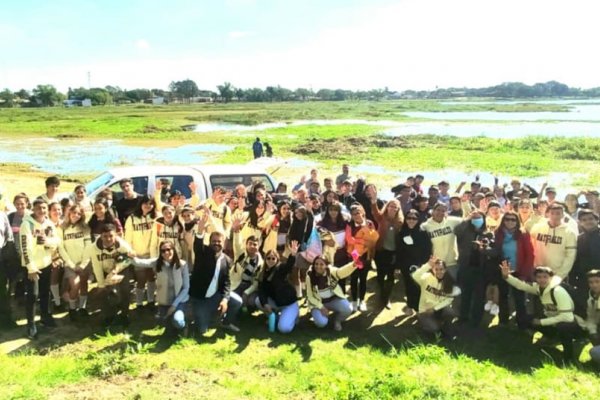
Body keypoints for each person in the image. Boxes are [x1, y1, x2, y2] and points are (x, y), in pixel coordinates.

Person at [500, 263, 586, 362]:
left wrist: (541, 322)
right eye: (539, 277)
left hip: (576, 326)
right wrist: (507, 276)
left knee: (564, 327)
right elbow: (521, 285)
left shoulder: (558, 291)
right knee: (525, 319)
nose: (542, 280)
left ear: (551, 277)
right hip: (554, 323)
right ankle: (531, 347)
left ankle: (569, 358)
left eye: (545, 277)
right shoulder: (538, 288)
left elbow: (567, 317)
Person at [189, 213, 242, 335]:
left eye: (219, 241)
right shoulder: (203, 252)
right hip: (200, 298)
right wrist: (200, 229)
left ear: (223, 243)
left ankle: (226, 322)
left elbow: (226, 283)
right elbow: (197, 245)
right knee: (202, 331)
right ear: (209, 242)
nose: (216, 243)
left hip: (215, 295)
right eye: (214, 241)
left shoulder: (227, 260)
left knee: (237, 301)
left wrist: (224, 299)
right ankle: (207, 318)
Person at [20, 199, 61, 338]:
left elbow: (55, 242)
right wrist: (31, 268)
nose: (41, 211)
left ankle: (45, 317)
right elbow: (24, 247)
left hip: (46, 263)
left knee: (45, 293)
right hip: (32, 267)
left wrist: (47, 241)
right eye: (38, 208)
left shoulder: (49, 224)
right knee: (33, 295)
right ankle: (31, 324)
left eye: (44, 208)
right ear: (33, 209)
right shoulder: (27, 224)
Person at [81, 223, 135, 327]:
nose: (108, 239)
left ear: (116, 235)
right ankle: (109, 316)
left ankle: (124, 314)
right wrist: (101, 284)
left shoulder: (122, 244)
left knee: (124, 290)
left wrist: (116, 269)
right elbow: (96, 266)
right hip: (104, 269)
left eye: (111, 236)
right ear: (100, 236)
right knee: (104, 292)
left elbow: (129, 259)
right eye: (105, 236)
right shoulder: (94, 248)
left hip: (120, 268)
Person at [132, 240, 190, 337]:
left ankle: (184, 326)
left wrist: (174, 305)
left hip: (179, 302)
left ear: (173, 250)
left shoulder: (182, 264)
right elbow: (139, 262)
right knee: (163, 324)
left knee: (177, 322)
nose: (166, 253)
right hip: (164, 302)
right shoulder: (157, 263)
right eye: (163, 251)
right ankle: (172, 326)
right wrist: (128, 255)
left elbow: (186, 288)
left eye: (168, 249)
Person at [491, 211, 534, 327]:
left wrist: (524, 274)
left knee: (519, 298)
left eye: (513, 219)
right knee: (503, 296)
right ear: (503, 221)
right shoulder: (498, 233)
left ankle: (521, 323)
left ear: (517, 221)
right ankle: (503, 320)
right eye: (507, 219)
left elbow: (530, 255)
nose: (510, 222)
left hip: (518, 271)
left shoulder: (523, 234)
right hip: (503, 270)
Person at [255, 242, 300, 334]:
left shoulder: (280, 269)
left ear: (277, 259)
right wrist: (265, 304)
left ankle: (293, 316)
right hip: (276, 303)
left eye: (273, 258)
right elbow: (261, 291)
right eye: (268, 258)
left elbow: (288, 266)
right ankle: (276, 316)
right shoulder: (262, 274)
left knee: (283, 329)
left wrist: (293, 254)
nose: (271, 260)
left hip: (288, 304)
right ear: (265, 259)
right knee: (258, 301)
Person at [57, 205, 92, 321]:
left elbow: (88, 246)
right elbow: (61, 248)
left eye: (79, 213)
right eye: (74, 212)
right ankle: (72, 309)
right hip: (70, 264)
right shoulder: (62, 228)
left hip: (84, 262)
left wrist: (83, 264)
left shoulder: (85, 228)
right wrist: (71, 264)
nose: (76, 215)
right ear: (69, 213)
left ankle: (82, 308)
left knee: (83, 285)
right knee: (75, 285)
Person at [412, 257, 461, 337]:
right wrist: (428, 265)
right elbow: (415, 275)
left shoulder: (448, 281)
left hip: (437, 308)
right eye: (436, 269)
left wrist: (435, 309)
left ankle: (445, 326)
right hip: (425, 310)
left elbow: (449, 299)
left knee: (451, 312)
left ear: (445, 270)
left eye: (441, 269)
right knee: (435, 328)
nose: (439, 272)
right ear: (433, 270)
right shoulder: (427, 278)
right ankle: (425, 323)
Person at [306, 255, 357, 331]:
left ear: (326, 265)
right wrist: (321, 307)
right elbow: (310, 296)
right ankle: (320, 316)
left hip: (333, 300)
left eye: (321, 264)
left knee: (348, 309)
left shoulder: (331, 271)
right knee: (321, 323)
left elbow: (342, 271)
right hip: (318, 303)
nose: (318, 266)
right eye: (316, 264)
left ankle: (337, 321)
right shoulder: (309, 275)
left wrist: (353, 264)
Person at [397, 209, 432, 315]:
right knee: (408, 285)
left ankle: (418, 307)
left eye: (414, 218)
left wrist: (423, 264)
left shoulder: (422, 233)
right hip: (405, 264)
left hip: (419, 264)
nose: (411, 220)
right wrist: (398, 266)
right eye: (409, 218)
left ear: (418, 220)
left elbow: (427, 249)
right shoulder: (401, 232)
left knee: (418, 286)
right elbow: (399, 250)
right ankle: (409, 305)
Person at [124, 195, 156, 309]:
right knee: (141, 279)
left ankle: (151, 301)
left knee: (151, 278)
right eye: (145, 203)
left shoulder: (155, 218)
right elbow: (127, 238)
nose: (148, 206)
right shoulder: (131, 219)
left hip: (151, 254)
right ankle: (139, 303)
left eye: (151, 203)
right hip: (138, 254)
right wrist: (130, 250)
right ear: (140, 204)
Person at [345, 204, 379, 312]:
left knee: (363, 279)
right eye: (353, 214)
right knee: (354, 279)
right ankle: (354, 301)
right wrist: (363, 241)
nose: (356, 216)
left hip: (366, 255)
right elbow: (349, 239)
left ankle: (362, 300)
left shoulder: (369, 223)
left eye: (358, 213)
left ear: (363, 212)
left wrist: (360, 241)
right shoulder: (350, 225)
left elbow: (374, 238)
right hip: (354, 255)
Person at [371, 198, 403, 309]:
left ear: (398, 209)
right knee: (380, 275)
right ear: (387, 207)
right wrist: (373, 201)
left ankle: (386, 298)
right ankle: (381, 295)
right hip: (381, 251)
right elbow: (375, 212)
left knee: (390, 276)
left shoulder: (400, 222)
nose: (393, 208)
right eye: (391, 206)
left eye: (395, 206)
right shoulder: (381, 218)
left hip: (393, 253)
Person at [530, 203, 577, 279]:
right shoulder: (537, 227)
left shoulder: (569, 232)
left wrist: (559, 276)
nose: (555, 216)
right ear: (548, 214)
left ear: (562, 215)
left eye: (558, 213)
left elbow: (570, 257)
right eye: (552, 213)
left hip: (557, 274)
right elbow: (530, 247)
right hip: (538, 272)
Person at [420, 202, 463, 279]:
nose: (440, 212)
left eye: (443, 211)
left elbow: (466, 221)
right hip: (436, 264)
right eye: (438, 210)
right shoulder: (425, 226)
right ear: (433, 211)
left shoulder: (452, 221)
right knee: (437, 288)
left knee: (453, 288)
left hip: (452, 262)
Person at [571, 209, 600, 299]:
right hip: (585, 281)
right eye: (584, 220)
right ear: (580, 222)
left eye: (590, 219)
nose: (588, 221)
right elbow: (576, 261)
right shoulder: (579, 239)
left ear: (597, 220)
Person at [0, 211, 16, 328]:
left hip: (1, 258)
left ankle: (5, 320)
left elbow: (8, 236)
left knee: (3, 291)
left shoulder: (2, 215)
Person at [584, 270, 600, 366]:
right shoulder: (591, 300)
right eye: (591, 282)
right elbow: (591, 318)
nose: (594, 285)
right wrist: (593, 332)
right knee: (594, 351)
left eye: (597, 282)